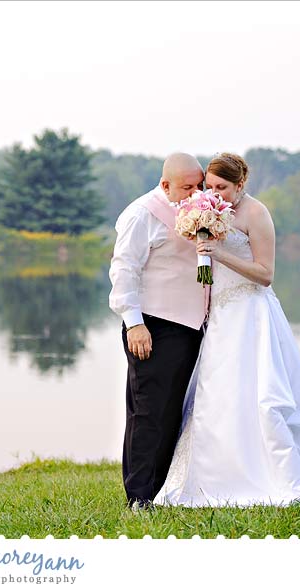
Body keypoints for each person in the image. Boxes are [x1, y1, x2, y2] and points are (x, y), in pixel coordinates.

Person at [153, 152, 300, 508]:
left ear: (241, 184)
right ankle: (214, 476)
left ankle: (274, 474)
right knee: (216, 397)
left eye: (222, 187)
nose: (214, 193)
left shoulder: (256, 213)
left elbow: (266, 275)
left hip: (251, 313)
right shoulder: (208, 207)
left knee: (261, 397)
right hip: (219, 316)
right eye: (209, 186)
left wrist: (219, 254)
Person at [108, 153, 210, 511]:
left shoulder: (199, 210)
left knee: (172, 411)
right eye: (187, 187)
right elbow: (124, 270)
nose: (195, 192)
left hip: (188, 328)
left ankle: (163, 488)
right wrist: (134, 323)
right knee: (148, 411)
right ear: (165, 184)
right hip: (152, 325)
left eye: (198, 184)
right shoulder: (141, 214)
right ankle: (139, 496)